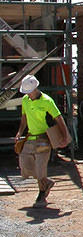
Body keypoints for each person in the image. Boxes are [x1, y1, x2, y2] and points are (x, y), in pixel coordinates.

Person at [14, 74, 71, 208]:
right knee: (24, 165)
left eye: (29, 92)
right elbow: (24, 118)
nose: (28, 94)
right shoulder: (25, 100)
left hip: (44, 138)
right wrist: (19, 132)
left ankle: (41, 194)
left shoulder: (47, 101)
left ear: (35, 89)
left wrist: (64, 136)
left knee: (40, 167)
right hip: (30, 137)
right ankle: (46, 182)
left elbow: (58, 119)